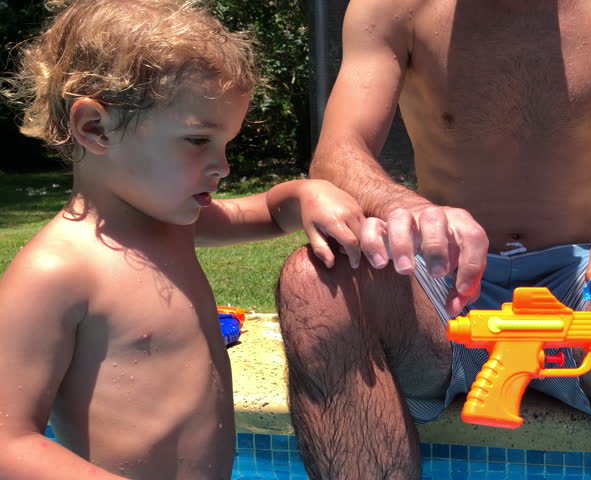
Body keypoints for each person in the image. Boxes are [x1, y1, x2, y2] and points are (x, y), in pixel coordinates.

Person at [277, 0, 591, 478]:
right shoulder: (390, 7)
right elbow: (338, 154)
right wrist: (405, 207)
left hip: (588, 291)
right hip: (446, 291)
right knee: (314, 283)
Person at [0, 1, 366, 478]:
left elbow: (267, 215)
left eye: (226, 144)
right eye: (198, 141)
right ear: (95, 128)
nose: (223, 166)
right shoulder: (56, 273)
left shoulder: (175, 224)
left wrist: (305, 194)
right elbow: (10, 443)